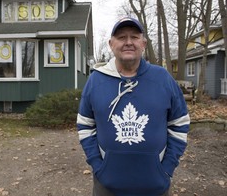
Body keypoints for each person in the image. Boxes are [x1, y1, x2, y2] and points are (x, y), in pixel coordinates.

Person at [76, 17, 190, 196]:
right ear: (111, 44)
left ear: (143, 43)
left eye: (134, 37)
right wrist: (98, 165)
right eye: (121, 37)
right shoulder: (96, 80)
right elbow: (85, 125)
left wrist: (166, 168)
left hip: (155, 185)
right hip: (107, 185)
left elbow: (179, 123)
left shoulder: (163, 79)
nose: (128, 42)